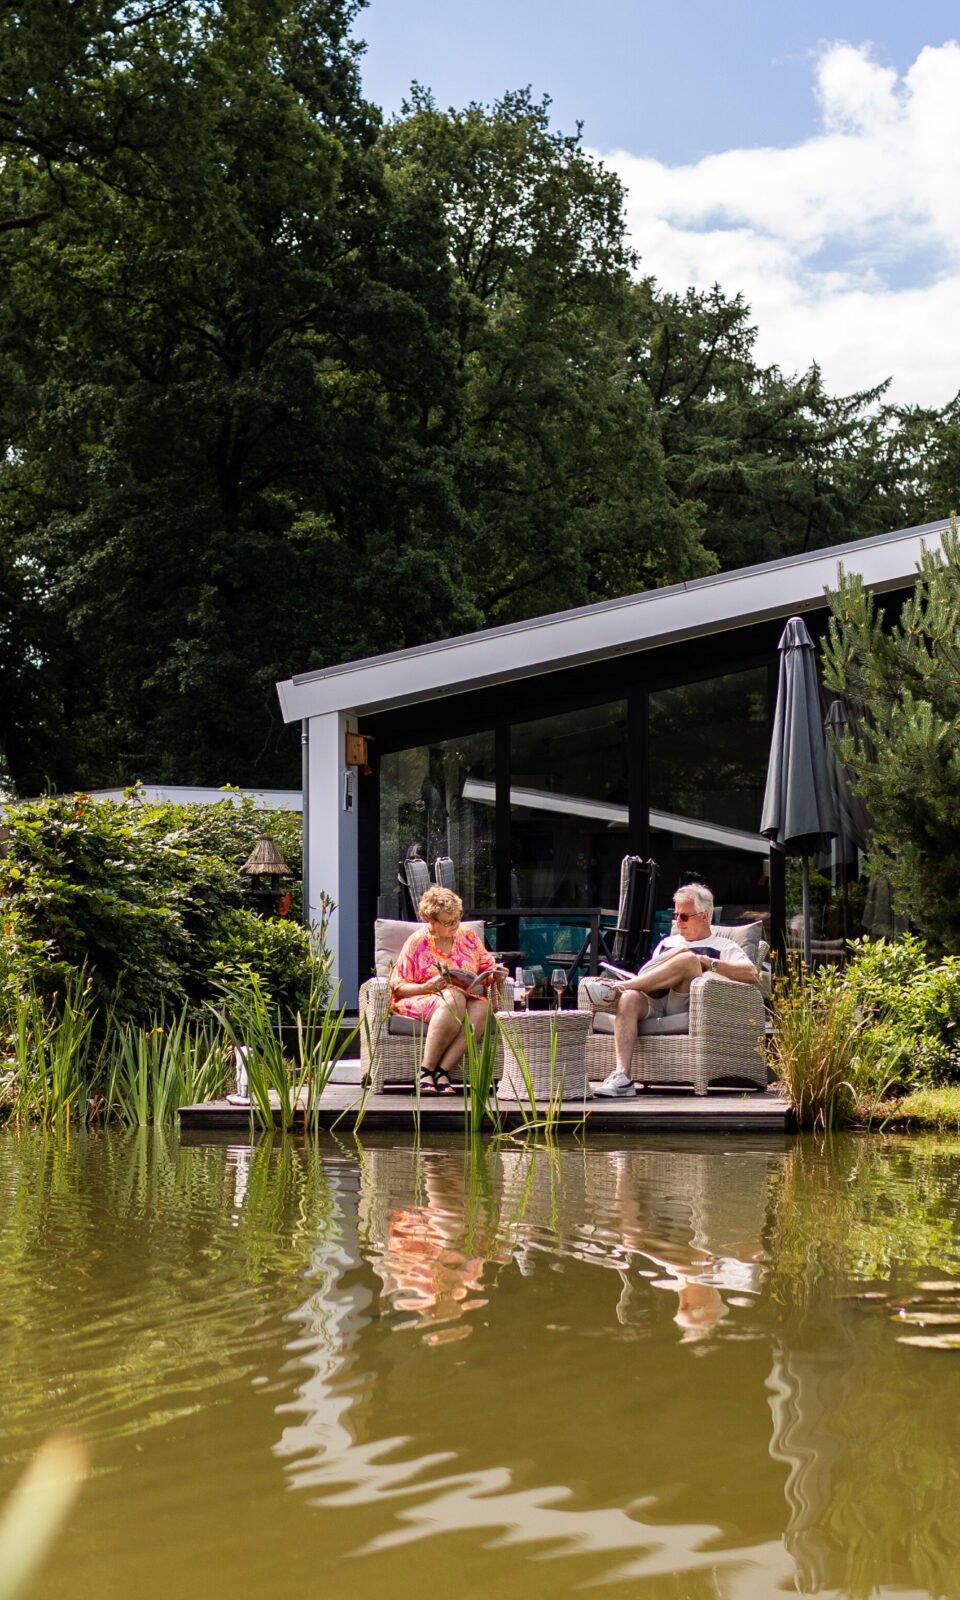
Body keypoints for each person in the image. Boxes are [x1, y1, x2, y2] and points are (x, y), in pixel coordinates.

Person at [593, 881, 759, 1098]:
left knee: (689, 959)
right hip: (657, 1002)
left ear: (705, 916)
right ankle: (623, 1076)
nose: (678, 922)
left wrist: (709, 962)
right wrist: (647, 986)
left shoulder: (724, 945)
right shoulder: (667, 943)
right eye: (676, 916)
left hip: (689, 1005)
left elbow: (752, 974)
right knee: (629, 999)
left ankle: (621, 986)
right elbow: (655, 972)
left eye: (684, 916)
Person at [389, 886, 507, 1095]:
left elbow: (487, 966)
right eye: (447, 921)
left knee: (482, 1006)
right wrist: (426, 986)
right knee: (454, 997)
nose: (454, 925)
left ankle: (442, 1070)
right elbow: (397, 986)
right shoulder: (417, 942)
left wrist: (496, 972)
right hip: (422, 998)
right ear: (431, 921)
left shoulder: (468, 936)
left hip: (462, 996)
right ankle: (425, 1070)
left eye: (457, 918)